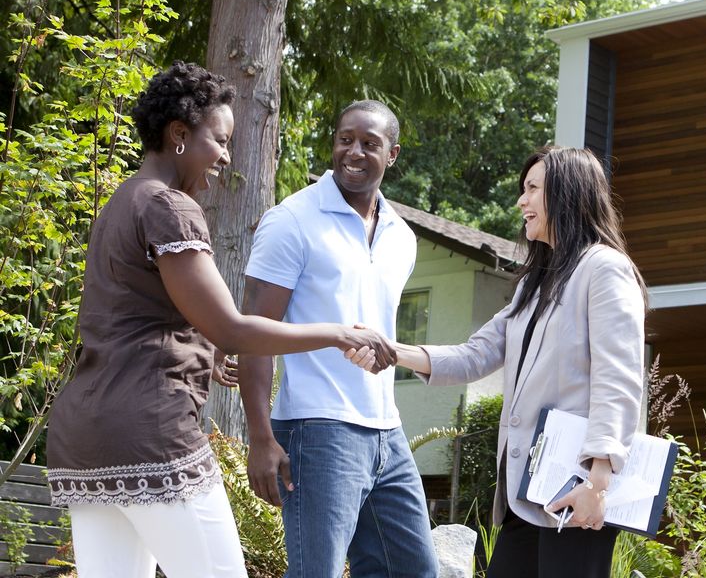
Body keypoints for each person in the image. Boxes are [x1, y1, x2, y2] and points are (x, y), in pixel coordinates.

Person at [44, 61, 396, 578]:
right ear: (179, 134)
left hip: (84, 436)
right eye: (220, 140)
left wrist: (199, 350)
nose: (227, 157)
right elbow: (232, 328)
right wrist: (339, 332)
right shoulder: (170, 208)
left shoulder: (123, 200)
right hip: (149, 432)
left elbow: (131, 316)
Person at [350, 145, 647, 578]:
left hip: (577, 490)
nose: (521, 202)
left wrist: (597, 483)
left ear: (567, 194)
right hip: (526, 493)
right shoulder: (536, 284)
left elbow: (617, 380)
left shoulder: (604, 269)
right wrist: (391, 351)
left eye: (532, 189)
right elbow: (475, 355)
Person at [237, 99, 438, 578]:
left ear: (392, 155)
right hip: (316, 428)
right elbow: (253, 336)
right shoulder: (292, 221)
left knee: (412, 570)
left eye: (370, 143)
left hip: (387, 431)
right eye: (345, 139)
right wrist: (261, 437)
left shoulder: (402, 237)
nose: (353, 151)